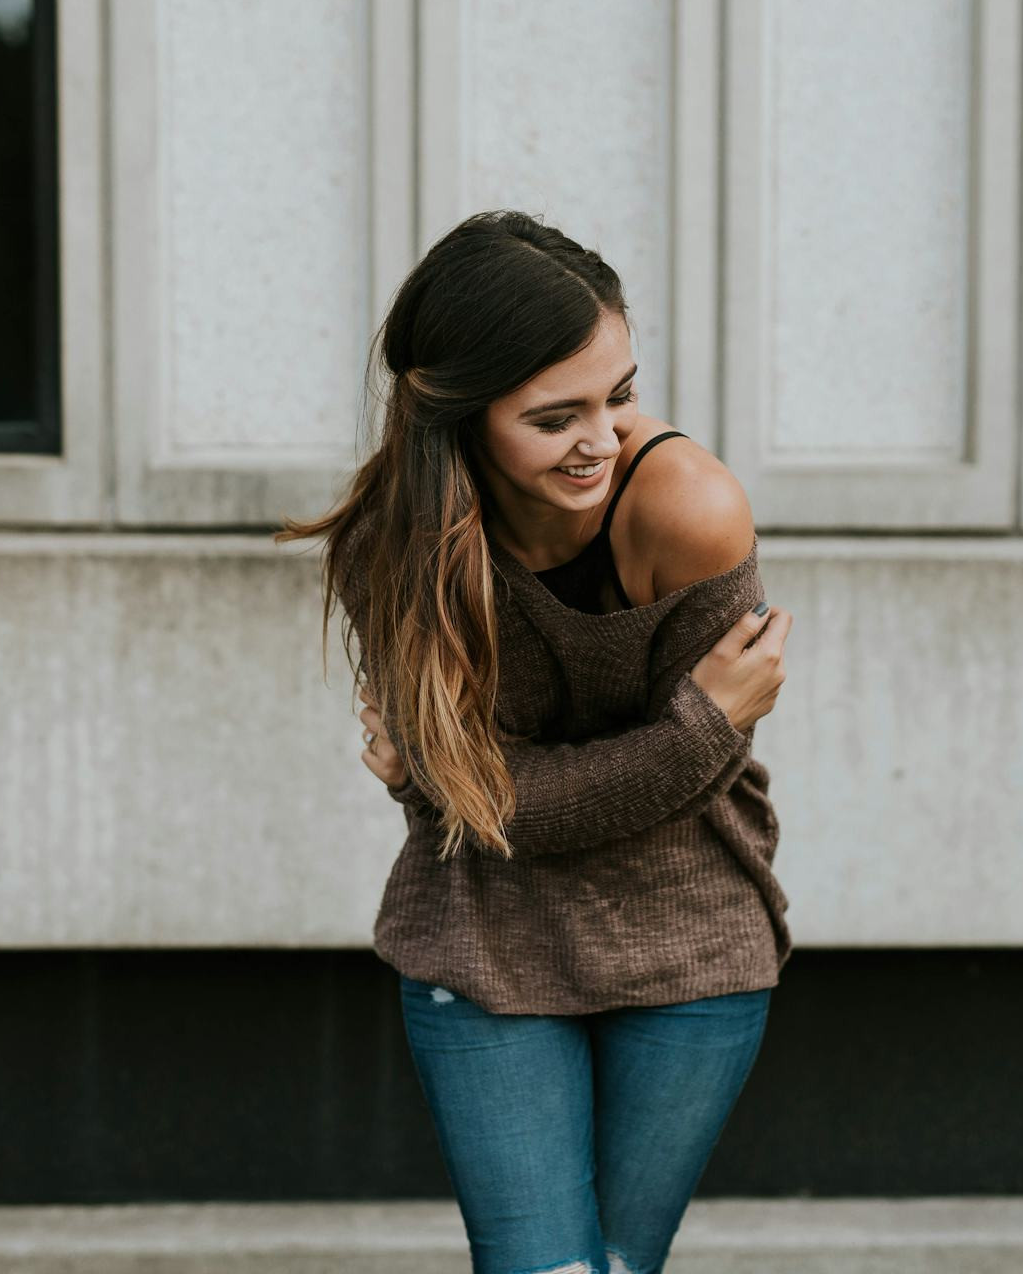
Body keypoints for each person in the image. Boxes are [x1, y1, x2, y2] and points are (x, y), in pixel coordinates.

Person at [274, 209, 793, 1274]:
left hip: (687, 943)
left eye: (620, 394)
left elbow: (500, 791)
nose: (603, 438)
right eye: (556, 417)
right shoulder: (393, 545)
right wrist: (696, 725)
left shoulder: (689, 509)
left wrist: (454, 781)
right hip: (482, 941)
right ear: (457, 414)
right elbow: (484, 799)